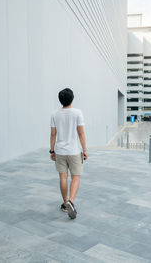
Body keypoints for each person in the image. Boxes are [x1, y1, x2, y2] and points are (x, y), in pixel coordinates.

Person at [50, 88, 87, 219]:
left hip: (60, 151)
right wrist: (85, 150)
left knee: (63, 177)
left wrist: (52, 150)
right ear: (72, 99)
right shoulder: (77, 113)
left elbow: (53, 134)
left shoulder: (55, 114)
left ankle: (65, 203)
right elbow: (81, 133)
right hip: (74, 151)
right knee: (75, 177)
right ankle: (71, 201)